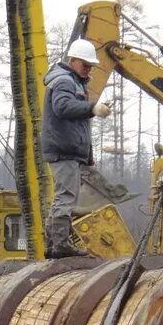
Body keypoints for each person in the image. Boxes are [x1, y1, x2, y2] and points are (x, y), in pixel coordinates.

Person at [41, 38, 112, 258]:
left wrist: (87, 155)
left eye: (90, 65)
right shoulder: (64, 81)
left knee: (63, 197)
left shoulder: (72, 81)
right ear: (73, 61)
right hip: (64, 150)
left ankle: (53, 244)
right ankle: (60, 244)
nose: (88, 69)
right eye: (85, 64)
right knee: (66, 197)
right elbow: (62, 107)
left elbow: (79, 126)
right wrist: (92, 108)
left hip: (68, 150)